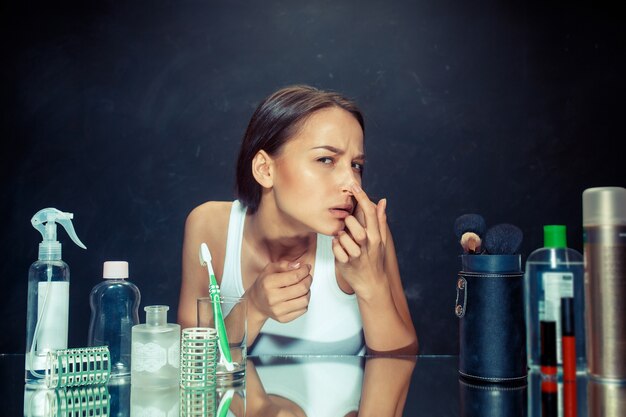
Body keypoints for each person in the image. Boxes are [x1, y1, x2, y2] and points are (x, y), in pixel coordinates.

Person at [178, 85, 417, 355]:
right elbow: (191, 358)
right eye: (326, 159)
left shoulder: (364, 233)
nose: (351, 183)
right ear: (265, 169)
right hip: (243, 399)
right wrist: (253, 308)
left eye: (356, 165)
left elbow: (402, 361)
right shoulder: (210, 226)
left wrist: (371, 285)